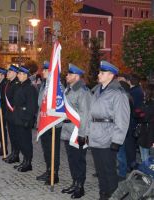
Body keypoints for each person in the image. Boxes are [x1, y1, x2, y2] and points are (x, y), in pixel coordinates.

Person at [86, 61, 130, 200]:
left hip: (108, 137)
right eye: (100, 72)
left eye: (102, 73)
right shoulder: (97, 90)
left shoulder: (118, 93)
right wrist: (87, 133)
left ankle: (113, 196)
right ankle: (103, 194)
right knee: (100, 170)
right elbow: (90, 115)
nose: (99, 74)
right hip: (95, 136)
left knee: (109, 171)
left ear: (111, 75)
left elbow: (122, 118)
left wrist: (117, 140)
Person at [60, 64, 91, 198]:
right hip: (67, 130)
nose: (67, 76)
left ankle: (80, 186)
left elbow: (85, 114)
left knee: (79, 160)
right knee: (71, 159)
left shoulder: (83, 92)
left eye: (69, 74)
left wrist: (83, 134)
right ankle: (74, 182)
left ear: (76, 76)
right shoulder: (68, 89)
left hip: (77, 130)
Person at [36, 61, 62, 185]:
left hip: (53, 123)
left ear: (51, 72)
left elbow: (58, 104)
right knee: (46, 149)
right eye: (43, 70)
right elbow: (40, 103)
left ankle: (54, 174)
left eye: (45, 70)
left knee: (53, 150)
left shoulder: (56, 86)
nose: (43, 72)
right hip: (44, 120)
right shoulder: (44, 84)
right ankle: (48, 170)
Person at [11, 66, 38, 172]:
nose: (18, 75)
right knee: (21, 141)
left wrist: (27, 120)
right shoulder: (20, 86)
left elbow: (32, 107)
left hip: (24, 120)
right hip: (18, 118)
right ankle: (24, 161)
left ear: (25, 75)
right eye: (18, 74)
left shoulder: (30, 88)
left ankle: (28, 163)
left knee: (26, 142)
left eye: (19, 74)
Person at [3, 65, 21, 164]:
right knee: (12, 136)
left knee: (15, 136)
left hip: (14, 114)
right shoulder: (9, 83)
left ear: (14, 73)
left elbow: (15, 100)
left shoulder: (16, 84)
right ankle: (13, 153)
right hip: (9, 114)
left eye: (9, 72)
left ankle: (16, 155)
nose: (7, 74)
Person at [135, 84, 154, 163]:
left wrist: (139, 113)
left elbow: (144, 117)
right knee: (144, 154)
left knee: (145, 155)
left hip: (148, 131)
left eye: (144, 90)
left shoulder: (150, 103)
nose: (143, 92)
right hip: (145, 131)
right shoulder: (146, 102)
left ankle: (146, 173)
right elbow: (138, 113)